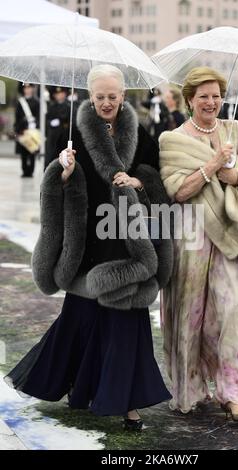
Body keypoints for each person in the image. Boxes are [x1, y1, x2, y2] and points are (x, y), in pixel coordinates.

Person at [5, 65, 173, 431]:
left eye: (113, 96)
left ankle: (129, 403)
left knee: (128, 322)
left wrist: (138, 181)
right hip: (87, 242)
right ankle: (79, 387)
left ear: (124, 97)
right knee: (80, 321)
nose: (106, 103)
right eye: (100, 97)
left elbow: (155, 182)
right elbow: (52, 181)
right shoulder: (72, 131)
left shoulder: (141, 135)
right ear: (90, 97)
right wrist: (62, 170)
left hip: (126, 239)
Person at [159, 67, 238, 421]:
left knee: (231, 313)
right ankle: (191, 390)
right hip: (192, 237)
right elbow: (178, 191)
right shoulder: (173, 139)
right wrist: (213, 165)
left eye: (216, 96)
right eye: (203, 97)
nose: (210, 102)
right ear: (190, 100)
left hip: (231, 235)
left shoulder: (237, 132)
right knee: (190, 315)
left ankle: (232, 394)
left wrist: (236, 175)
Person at [44, 87, 75, 170]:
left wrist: (61, 121)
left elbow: (69, 119)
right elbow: (47, 119)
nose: (60, 95)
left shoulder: (69, 106)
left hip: (64, 135)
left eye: (62, 93)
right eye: (57, 94)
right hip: (53, 137)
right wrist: (50, 122)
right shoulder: (52, 106)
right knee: (51, 155)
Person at [14, 83, 40, 177]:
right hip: (23, 131)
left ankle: (31, 171)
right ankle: (25, 170)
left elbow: (39, 117)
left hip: (33, 131)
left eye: (29, 87)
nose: (27, 89)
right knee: (23, 152)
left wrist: (35, 125)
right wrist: (20, 130)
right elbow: (17, 117)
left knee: (32, 152)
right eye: (25, 88)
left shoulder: (37, 102)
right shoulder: (20, 102)